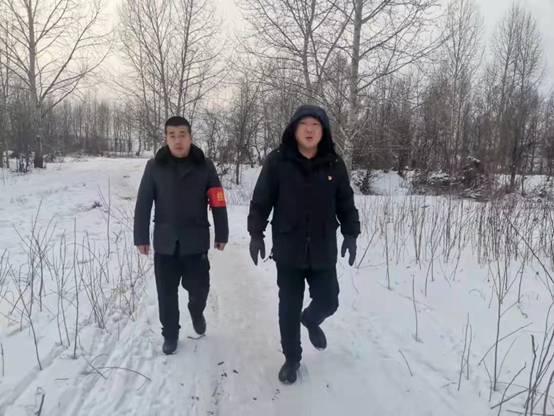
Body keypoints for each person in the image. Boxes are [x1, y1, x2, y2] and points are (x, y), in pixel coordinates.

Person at [247, 104, 360, 384]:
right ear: (294, 129)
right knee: (288, 306)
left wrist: (350, 234)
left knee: (329, 301)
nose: (309, 130)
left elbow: (345, 202)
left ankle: (310, 319)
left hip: (323, 247)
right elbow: (262, 199)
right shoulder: (278, 161)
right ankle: (292, 358)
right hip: (289, 247)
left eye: (315, 125)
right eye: (304, 124)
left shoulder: (334, 163)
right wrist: (256, 233)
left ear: (324, 131)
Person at [134, 116, 228, 355]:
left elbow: (217, 200)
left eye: (182, 135)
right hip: (165, 242)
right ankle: (170, 334)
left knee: (200, 289)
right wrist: (141, 237)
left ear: (190, 137)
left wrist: (222, 231)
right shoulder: (154, 166)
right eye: (172, 135)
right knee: (166, 293)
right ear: (165, 138)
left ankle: (196, 311)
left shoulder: (205, 166)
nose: (177, 140)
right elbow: (143, 202)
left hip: (195, 241)